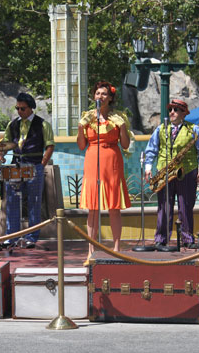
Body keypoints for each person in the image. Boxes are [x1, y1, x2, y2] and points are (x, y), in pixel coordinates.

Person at [77, 81, 132, 265]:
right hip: (93, 159)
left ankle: (117, 248)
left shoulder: (118, 117)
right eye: (97, 93)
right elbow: (81, 145)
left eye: (104, 94)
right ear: (94, 96)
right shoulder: (87, 117)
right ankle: (91, 250)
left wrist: (122, 126)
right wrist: (80, 127)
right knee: (93, 207)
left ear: (110, 98)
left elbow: (125, 145)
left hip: (112, 160)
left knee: (113, 206)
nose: (100, 96)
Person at [144, 99, 199, 250]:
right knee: (164, 207)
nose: (172, 112)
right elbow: (152, 149)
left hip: (186, 171)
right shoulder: (161, 129)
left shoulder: (194, 130)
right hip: (165, 172)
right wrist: (148, 167)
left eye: (176, 109)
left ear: (184, 113)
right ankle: (161, 239)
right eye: (171, 109)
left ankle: (187, 238)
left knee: (185, 206)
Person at [0, 92, 55, 248]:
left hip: (34, 165)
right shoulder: (12, 124)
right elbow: (5, 143)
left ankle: (31, 237)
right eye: (17, 108)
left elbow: (50, 146)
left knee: (34, 202)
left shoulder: (43, 124)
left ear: (31, 108)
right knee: (12, 201)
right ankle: (12, 236)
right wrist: (1, 154)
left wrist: (42, 164)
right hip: (16, 165)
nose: (19, 111)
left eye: (22, 108)